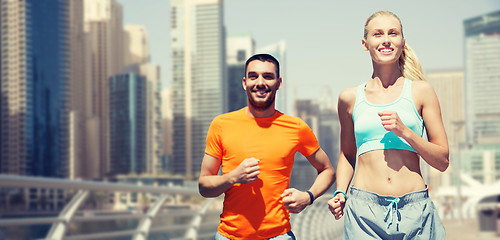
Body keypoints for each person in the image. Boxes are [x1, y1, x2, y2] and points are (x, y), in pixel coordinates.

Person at [327, 11, 449, 239]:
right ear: (365, 44)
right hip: (364, 213)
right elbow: (347, 154)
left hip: (416, 212)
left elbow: (442, 161)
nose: (385, 40)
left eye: (393, 33)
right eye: (377, 34)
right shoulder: (349, 98)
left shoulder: (421, 91)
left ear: (402, 42)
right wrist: (341, 191)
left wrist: (406, 132)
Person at [199, 53, 335, 240]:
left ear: (278, 83)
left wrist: (308, 197)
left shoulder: (296, 127)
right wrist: (233, 177)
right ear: (244, 82)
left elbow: (327, 170)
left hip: (279, 236)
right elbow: (204, 186)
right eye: (253, 76)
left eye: (268, 76)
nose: (260, 82)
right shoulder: (221, 124)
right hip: (228, 236)